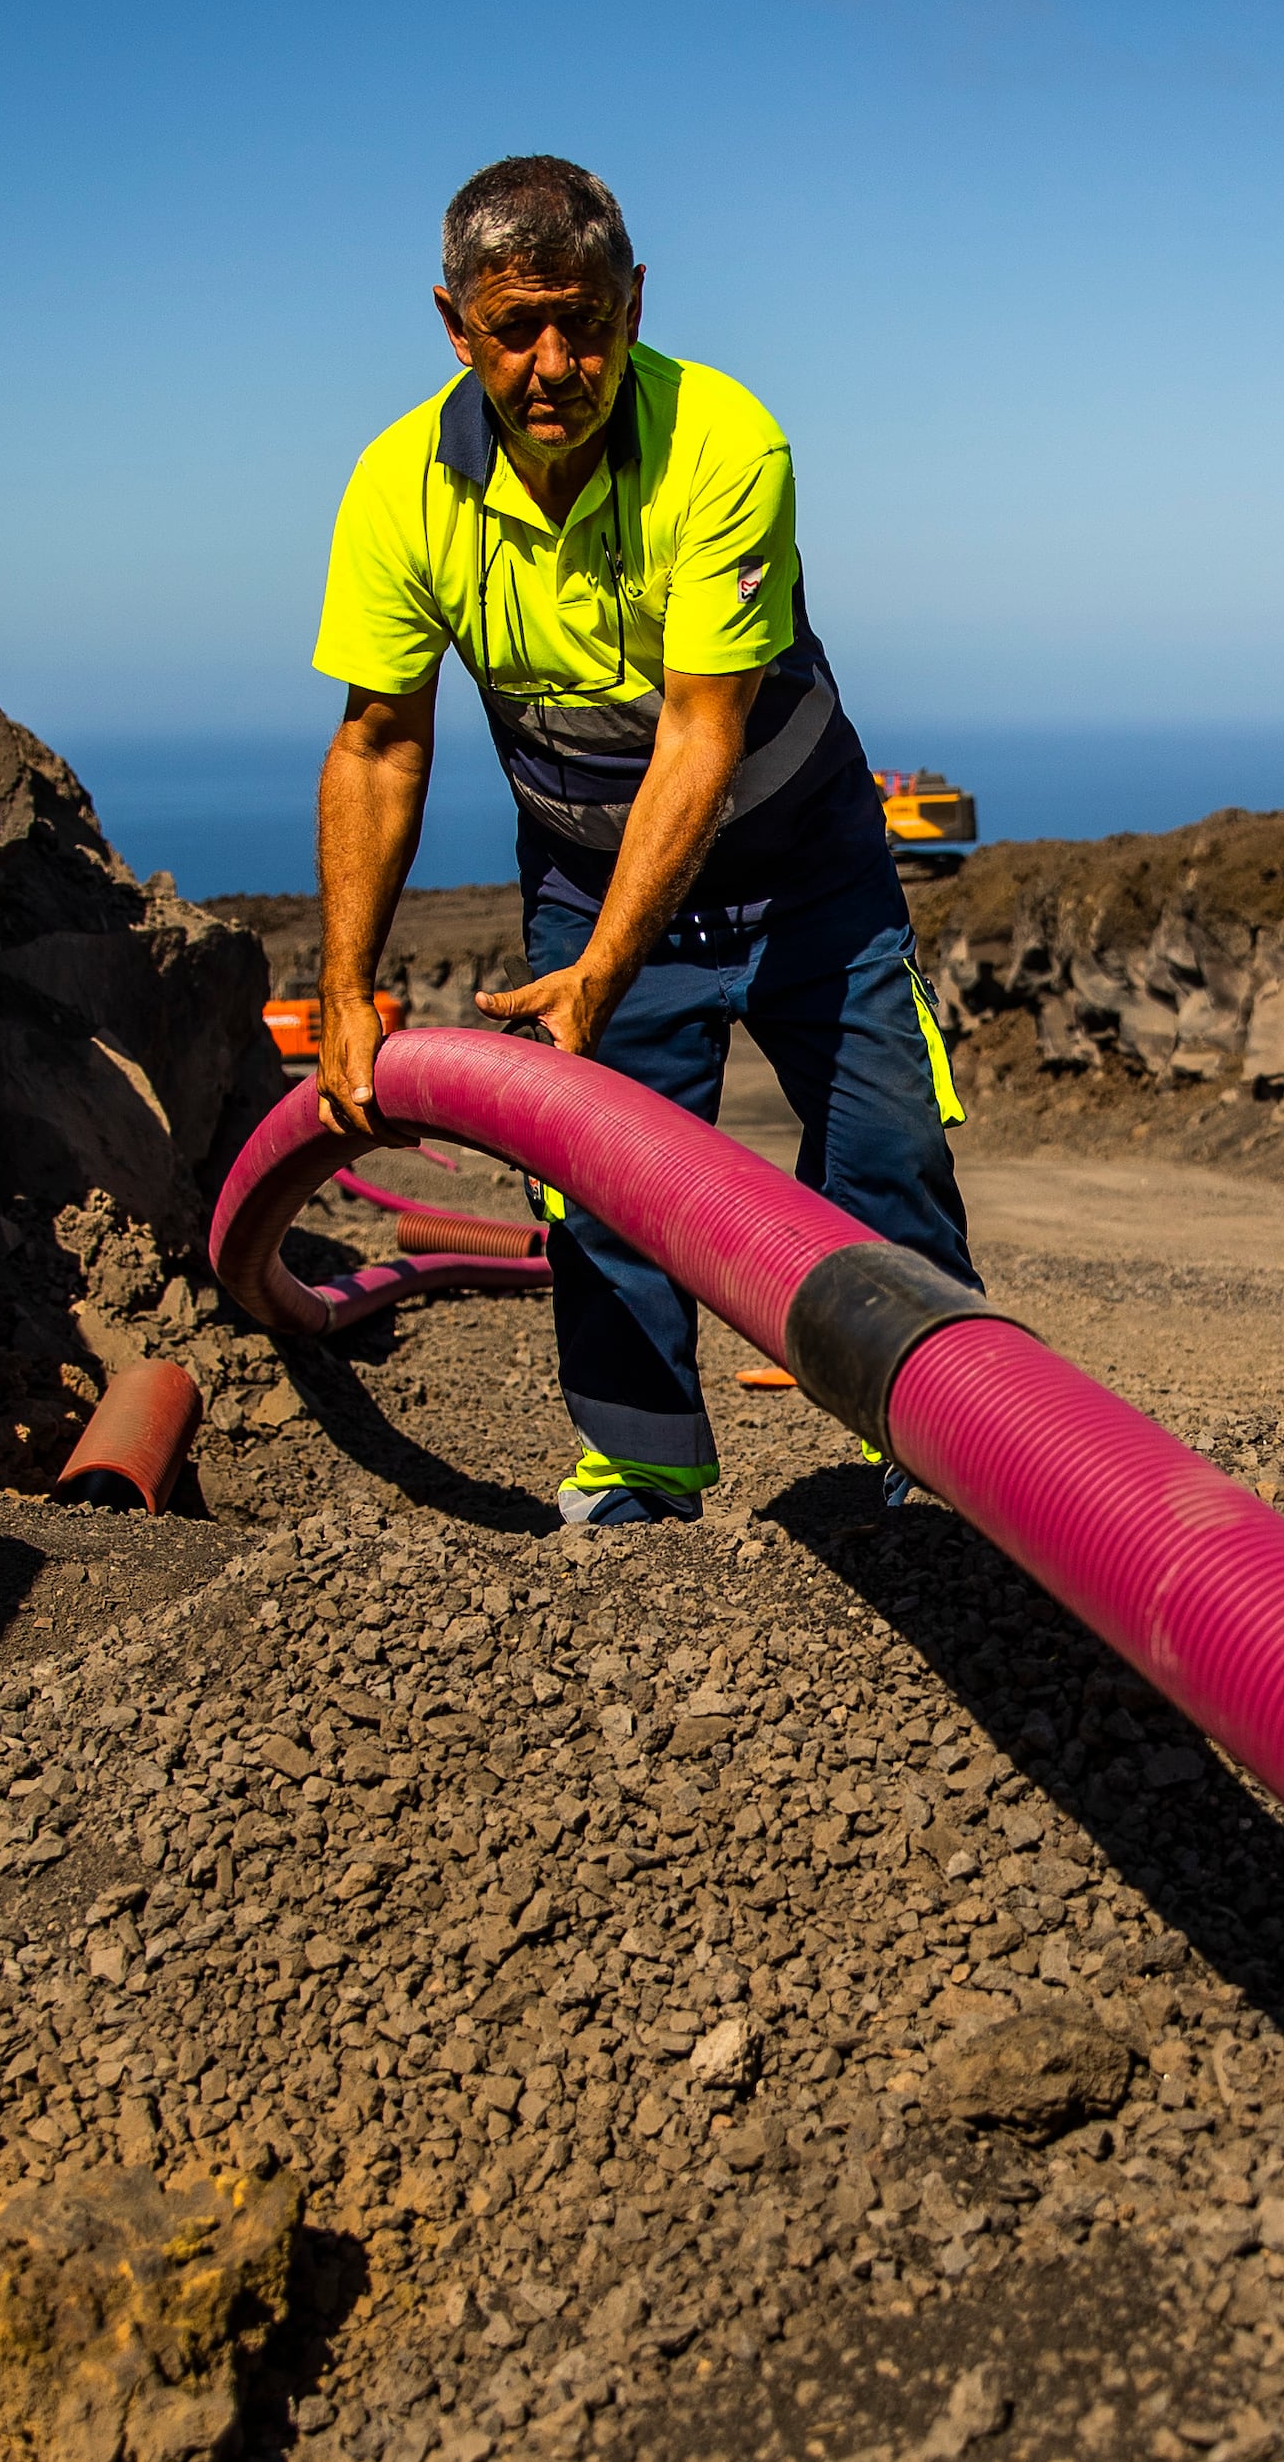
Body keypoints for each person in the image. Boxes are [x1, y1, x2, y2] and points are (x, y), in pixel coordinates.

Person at [303, 154, 976, 1527]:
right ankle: (639, 1474)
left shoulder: (725, 443)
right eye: (516, 329)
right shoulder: (398, 490)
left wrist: (604, 972)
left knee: (887, 1153)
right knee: (599, 1187)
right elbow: (378, 744)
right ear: (455, 325)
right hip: (584, 871)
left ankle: (937, 1450)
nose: (557, 365)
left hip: (806, 871)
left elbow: (698, 732)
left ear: (637, 303)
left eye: (588, 322)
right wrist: (345, 989)